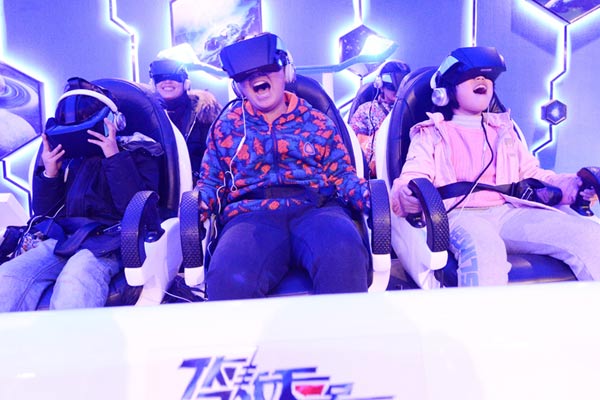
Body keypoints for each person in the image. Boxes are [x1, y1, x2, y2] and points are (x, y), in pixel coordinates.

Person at [390, 46, 600, 287]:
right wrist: (407, 195)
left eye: (487, 78)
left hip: (509, 212)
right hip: (460, 214)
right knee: (485, 250)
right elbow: (414, 175)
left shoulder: (504, 131)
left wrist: (574, 185)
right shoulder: (430, 133)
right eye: (471, 76)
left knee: (588, 236)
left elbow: (532, 174)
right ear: (445, 91)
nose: (482, 81)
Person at [196, 33, 371, 300]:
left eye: (266, 67)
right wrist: (197, 206)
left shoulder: (316, 121)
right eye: (246, 73)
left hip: (317, 209)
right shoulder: (227, 125)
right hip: (250, 215)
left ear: (286, 71)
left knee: (343, 254)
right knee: (228, 277)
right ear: (238, 86)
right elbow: (211, 182)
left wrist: (375, 198)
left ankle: (340, 330)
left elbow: (342, 175)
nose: (257, 77)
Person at [0, 78, 162, 311]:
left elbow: (136, 209)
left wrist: (114, 157)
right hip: (65, 238)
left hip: (111, 240)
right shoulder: (71, 157)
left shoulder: (140, 151)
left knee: (75, 281)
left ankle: (73, 336)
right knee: (8, 277)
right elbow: (45, 213)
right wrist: (50, 173)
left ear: (116, 121)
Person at [149, 59, 222, 183]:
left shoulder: (204, 114)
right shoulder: (148, 115)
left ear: (186, 83)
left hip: (199, 186)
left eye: (174, 77)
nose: (167, 81)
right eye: (160, 78)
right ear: (153, 84)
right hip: (161, 187)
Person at [349, 61, 410, 177]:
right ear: (380, 85)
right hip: (380, 172)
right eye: (392, 88)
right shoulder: (366, 110)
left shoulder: (411, 108)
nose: (397, 92)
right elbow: (356, 149)